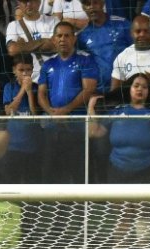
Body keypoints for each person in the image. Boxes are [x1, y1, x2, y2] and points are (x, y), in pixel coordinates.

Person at [37, 20, 98, 183]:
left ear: (74, 39)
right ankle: (50, 208)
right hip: (52, 127)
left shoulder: (85, 61)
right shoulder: (48, 64)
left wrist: (66, 110)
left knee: (78, 173)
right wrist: (52, 113)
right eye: (59, 36)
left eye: (66, 35)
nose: (63, 39)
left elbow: (89, 89)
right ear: (53, 40)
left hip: (76, 127)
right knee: (49, 173)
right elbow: (41, 93)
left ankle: (80, 208)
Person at [88, 73, 150, 183]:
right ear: (129, 89)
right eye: (136, 86)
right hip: (117, 170)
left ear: (148, 91)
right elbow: (94, 132)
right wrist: (91, 108)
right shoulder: (116, 112)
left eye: (144, 87)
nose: (140, 89)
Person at [0, 53, 40, 183]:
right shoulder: (8, 87)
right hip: (12, 146)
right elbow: (9, 111)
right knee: (12, 182)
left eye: (28, 70)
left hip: (32, 145)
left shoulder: (36, 88)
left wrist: (29, 92)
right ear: (14, 70)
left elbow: (35, 115)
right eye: (21, 70)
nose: (25, 73)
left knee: (31, 182)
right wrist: (22, 90)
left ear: (32, 70)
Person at [75, 0, 130, 90]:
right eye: (87, 4)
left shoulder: (122, 24)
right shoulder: (81, 37)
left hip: (126, 87)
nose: (91, 7)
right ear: (83, 7)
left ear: (103, 3)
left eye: (95, 2)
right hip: (100, 92)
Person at [5, 0, 57, 71]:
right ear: (19, 4)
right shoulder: (13, 25)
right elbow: (13, 50)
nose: (29, 4)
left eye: (32, 1)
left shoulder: (53, 20)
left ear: (39, 2)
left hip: (54, 72)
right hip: (29, 78)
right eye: (25, 1)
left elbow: (55, 45)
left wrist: (23, 46)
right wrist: (43, 41)